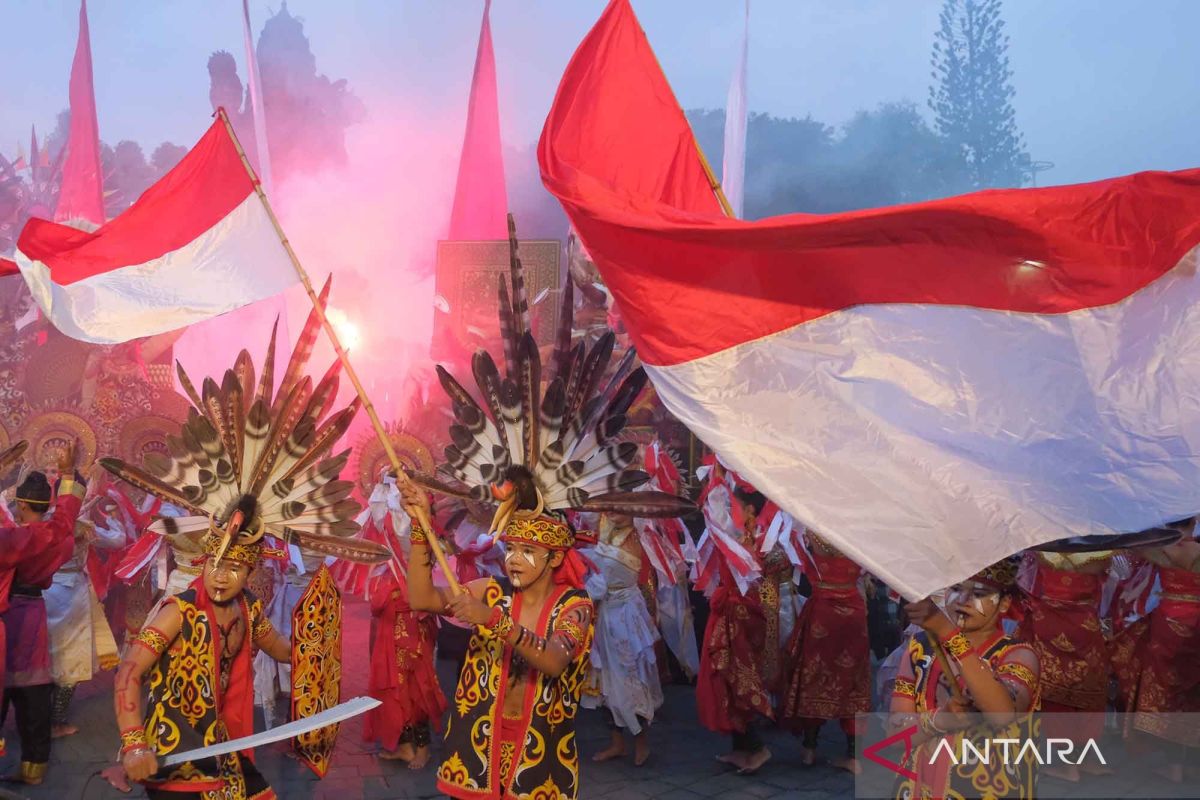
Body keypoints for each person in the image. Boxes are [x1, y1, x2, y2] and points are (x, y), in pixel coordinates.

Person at [405, 475, 596, 800]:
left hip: (538, 758)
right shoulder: (491, 590)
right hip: (476, 750)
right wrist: (419, 527)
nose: (514, 560)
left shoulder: (575, 606)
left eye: (528, 550)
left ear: (555, 558)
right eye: (510, 548)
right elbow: (421, 598)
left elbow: (553, 661)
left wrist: (493, 619)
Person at [114, 522, 291, 799]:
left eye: (234, 568)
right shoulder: (180, 612)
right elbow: (129, 672)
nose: (220, 577)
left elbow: (282, 650)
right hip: (176, 746)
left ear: (250, 572)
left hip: (222, 743)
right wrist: (134, 744)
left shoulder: (248, 607)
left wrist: (318, 638)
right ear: (203, 562)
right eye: (214, 564)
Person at [888, 557, 1041, 800]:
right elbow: (895, 736)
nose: (963, 600)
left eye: (979, 593)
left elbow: (1002, 713)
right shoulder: (920, 647)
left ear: (1004, 603)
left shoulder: (1018, 654)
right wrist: (941, 720)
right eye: (956, 588)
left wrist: (948, 634)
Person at [0, 441, 85, 781]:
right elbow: (63, 523)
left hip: (6, 618)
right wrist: (69, 476)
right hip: (33, 617)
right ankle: (33, 768)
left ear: (20, 503)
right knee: (33, 693)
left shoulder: (11, 538)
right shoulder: (54, 538)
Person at [359, 478, 445, 769]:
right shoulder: (385, 522)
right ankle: (406, 745)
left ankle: (423, 747)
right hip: (390, 614)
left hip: (413, 614)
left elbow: (406, 538)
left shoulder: (417, 527)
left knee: (417, 682)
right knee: (393, 682)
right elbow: (378, 512)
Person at [695, 474, 776, 776]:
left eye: (736, 506)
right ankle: (741, 748)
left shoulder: (752, 540)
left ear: (750, 510)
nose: (731, 512)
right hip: (731, 612)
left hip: (740, 617)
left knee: (739, 680)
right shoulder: (741, 536)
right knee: (725, 682)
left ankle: (757, 748)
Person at [1111, 517, 1200, 783]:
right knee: (1194, 691)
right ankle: (1192, 763)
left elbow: (1126, 552)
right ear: (1194, 521)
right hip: (1197, 622)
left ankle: (1174, 765)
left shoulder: (1161, 548)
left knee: (1169, 693)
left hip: (1169, 622)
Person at [1015, 549, 1112, 781]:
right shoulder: (1101, 553)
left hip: (1049, 621)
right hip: (1085, 625)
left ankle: (1067, 766)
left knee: (1054, 693)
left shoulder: (1043, 548)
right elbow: (1112, 586)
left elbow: (1025, 583)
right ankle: (1086, 759)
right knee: (1089, 690)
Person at [779, 530, 871, 773]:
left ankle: (809, 749)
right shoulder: (859, 534)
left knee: (815, 675)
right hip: (853, 612)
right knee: (854, 679)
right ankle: (853, 754)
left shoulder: (811, 531)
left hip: (822, 612)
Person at [581, 512, 662, 766]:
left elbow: (607, 577)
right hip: (605, 613)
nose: (613, 512)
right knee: (604, 676)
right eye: (611, 506)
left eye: (620, 507)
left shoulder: (638, 536)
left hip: (625, 616)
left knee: (629, 676)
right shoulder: (607, 528)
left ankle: (641, 741)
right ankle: (617, 743)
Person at [44, 491, 124, 738]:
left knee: (45, 655)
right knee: (72, 659)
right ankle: (56, 722)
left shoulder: (42, 521)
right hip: (73, 596)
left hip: (44, 591)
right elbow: (118, 541)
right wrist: (113, 518)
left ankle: (39, 716)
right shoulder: (83, 527)